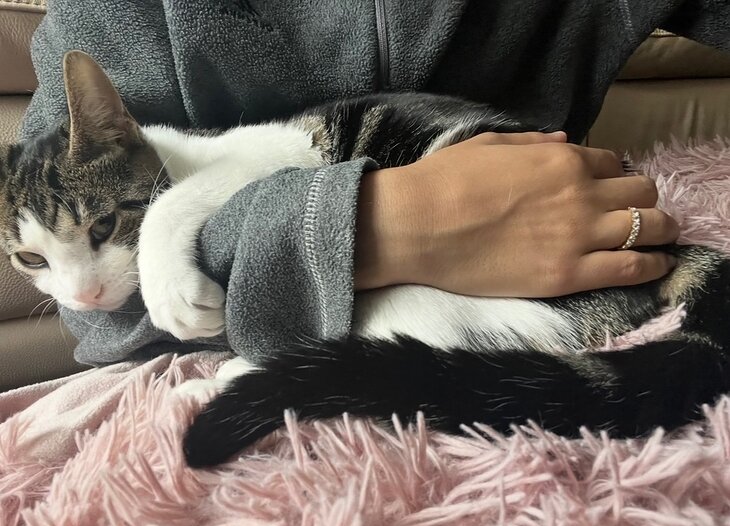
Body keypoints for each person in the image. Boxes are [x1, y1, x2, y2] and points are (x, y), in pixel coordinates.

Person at [20, 0, 730, 364]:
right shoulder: (109, 23)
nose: (68, 285)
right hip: (289, 331)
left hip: (570, 267)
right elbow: (100, 317)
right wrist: (378, 228)